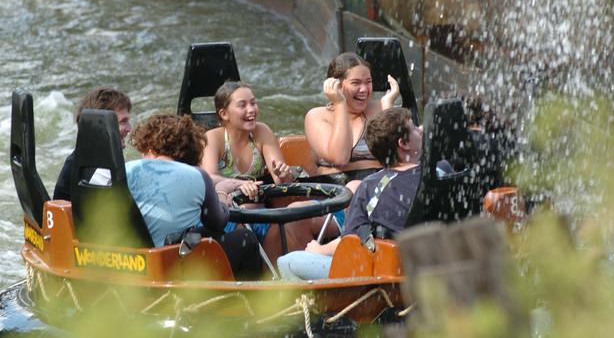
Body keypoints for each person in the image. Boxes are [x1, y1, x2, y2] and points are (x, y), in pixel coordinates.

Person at [278, 107, 451, 281]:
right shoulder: (442, 170)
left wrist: (319, 250)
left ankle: (322, 307)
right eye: (414, 128)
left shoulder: (371, 187)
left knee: (286, 262)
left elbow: (351, 242)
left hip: (391, 274)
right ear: (403, 144)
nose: (420, 129)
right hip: (444, 261)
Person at [200, 81, 339, 262]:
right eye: (242, 105)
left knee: (285, 224)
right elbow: (209, 178)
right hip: (228, 217)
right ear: (224, 114)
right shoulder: (213, 138)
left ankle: (282, 277)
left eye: (253, 102)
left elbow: (282, 183)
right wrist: (240, 185)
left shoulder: (262, 131)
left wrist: (283, 174)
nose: (251, 109)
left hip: (262, 214)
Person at [127, 114, 261, 279]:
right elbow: (217, 222)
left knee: (198, 232)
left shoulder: (126, 170)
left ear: (150, 148)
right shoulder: (198, 175)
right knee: (245, 238)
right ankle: (250, 298)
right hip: (174, 260)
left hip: (133, 262)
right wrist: (221, 192)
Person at [304, 52, 401, 185]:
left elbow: (400, 155)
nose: (364, 89)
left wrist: (389, 109)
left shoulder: (382, 107)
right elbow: (340, 158)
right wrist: (340, 103)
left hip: (378, 186)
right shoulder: (317, 116)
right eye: (356, 83)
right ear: (336, 86)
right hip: (335, 192)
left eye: (368, 82)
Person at [53, 87, 132, 200]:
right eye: (123, 122)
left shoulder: (81, 158)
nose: (129, 129)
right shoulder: (102, 171)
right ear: (100, 124)